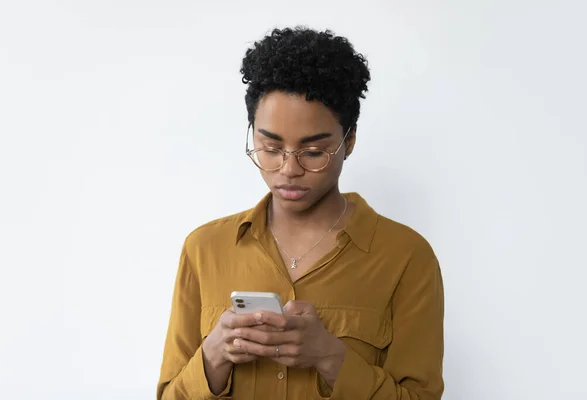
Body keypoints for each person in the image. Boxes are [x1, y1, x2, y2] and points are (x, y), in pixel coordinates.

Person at [157, 27, 444, 400]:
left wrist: (332, 359)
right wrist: (213, 358)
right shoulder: (205, 248)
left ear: (349, 141)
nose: (288, 169)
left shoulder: (407, 257)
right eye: (270, 147)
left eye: (313, 152)